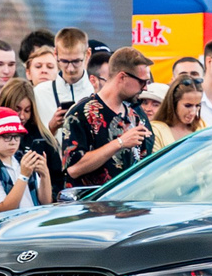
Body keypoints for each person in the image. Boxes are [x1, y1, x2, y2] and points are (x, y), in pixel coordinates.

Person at [59, 46, 156, 185]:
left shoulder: (134, 116)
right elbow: (74, 168)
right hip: (90, 204)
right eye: (142, 81)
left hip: (127, 203)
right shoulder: (80, 113)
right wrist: (120, 143)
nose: (145, 88)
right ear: (122, 77)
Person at [0, 106, 52, 211]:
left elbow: (46, 202)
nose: (13, 142)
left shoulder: (23, 160)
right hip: (7, 226)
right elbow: (4, 209)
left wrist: (45, 175)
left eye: (17, 136)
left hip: (32, 222)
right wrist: (24, 176)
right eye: (6, 136)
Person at [147, 78, 203, 151]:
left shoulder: (201, 125)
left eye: (197, 105)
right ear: (173, 103)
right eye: (188, 106)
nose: (193, 112)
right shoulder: (155, 129)